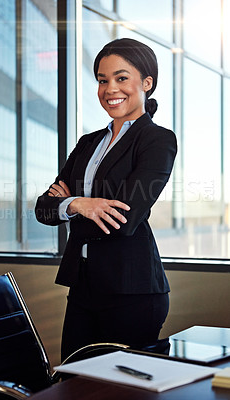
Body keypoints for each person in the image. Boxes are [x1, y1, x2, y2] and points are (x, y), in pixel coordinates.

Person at [35, 38, 177, 361]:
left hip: (133, 290)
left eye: (121, 78)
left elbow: (124, 219)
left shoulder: (157, 140)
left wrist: (67, 205)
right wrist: (79, 204)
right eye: (102, 80)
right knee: (72, 383)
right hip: (83, 287)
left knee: (122, 391)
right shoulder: (88, 143)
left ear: (147, 82)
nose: (109, 88)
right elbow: (43, 208)